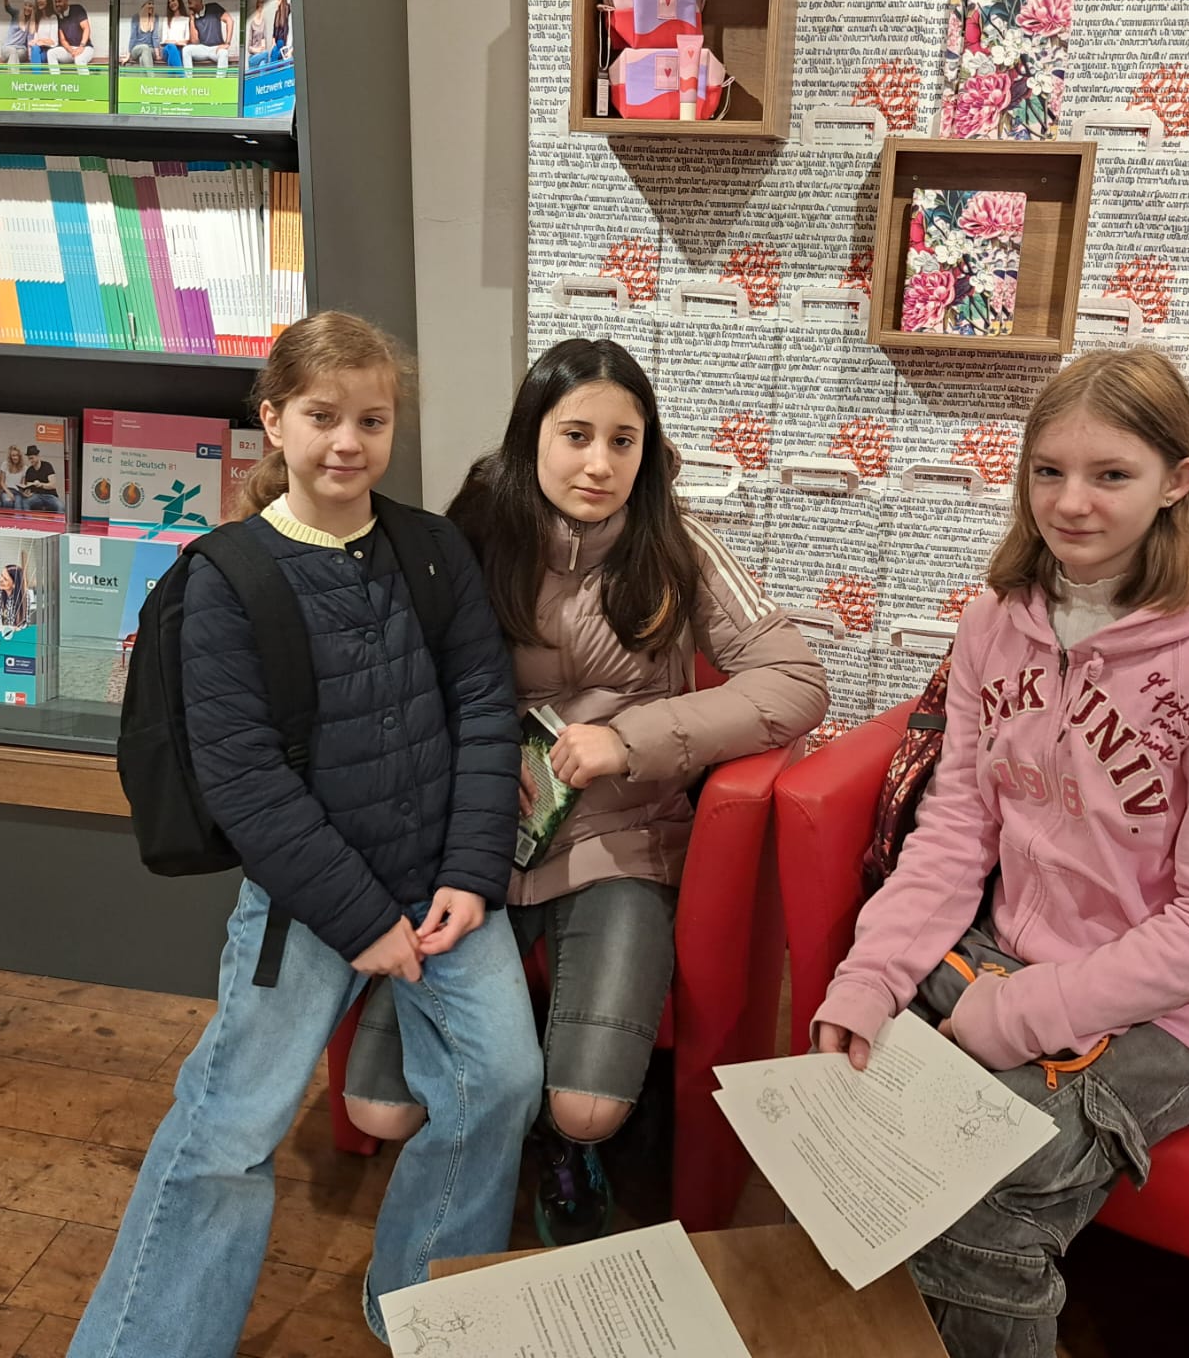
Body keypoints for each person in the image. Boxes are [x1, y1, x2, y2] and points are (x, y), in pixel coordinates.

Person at [67, 312, 540, 1356]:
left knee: (502, 1081)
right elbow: (245, 780)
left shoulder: (433, 551)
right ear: (274, 420)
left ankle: (422, 1303)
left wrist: (470, 872)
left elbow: (481, 704)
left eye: (372, 420)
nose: (348, 443)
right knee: (228, 1127)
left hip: (444, 887)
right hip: (309, 904)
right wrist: (362, 919)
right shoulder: (225, 578)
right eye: (323, 417)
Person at [808, 346, 1189, 1357]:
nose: (1070, 503)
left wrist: (1020, 1014)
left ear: (1176, 482)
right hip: (997, 958)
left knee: (975, 1204)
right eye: (1047, 471)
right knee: (835, 1111)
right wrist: (869, 976)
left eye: (1110, 474)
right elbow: (957, 831)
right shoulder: (993, 623)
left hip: (1161, 1017)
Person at [344, 337, 829, 1245]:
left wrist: (631, 739)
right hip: (475, 848)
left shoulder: (675, 545)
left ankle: (569, 1144)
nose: (599, 464)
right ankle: (492, 1118)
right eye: (576, 436)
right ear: (531, 436)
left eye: (623, 440)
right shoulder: (471, 538)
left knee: (590, 1109)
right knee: (380, 1109)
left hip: (619, 841)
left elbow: (796, 680)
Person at [182, 0, 235, 74]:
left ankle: (220, 81)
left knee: (224, 53)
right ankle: (189, 80)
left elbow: (230, 21)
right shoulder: (194, 17)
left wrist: (227, 43)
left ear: (198, 1)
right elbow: (195, 41)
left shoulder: (213, 8)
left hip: (217, 48)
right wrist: (191, 19)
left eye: (190, 3)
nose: (189, 6)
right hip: (203, 47)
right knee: (186, 50)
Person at [50, 0, 97, 71]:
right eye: (56, 2)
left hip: (85, 48)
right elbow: (63, 40)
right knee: (51, 53)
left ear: (66, 1)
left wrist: (81, 47)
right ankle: (55, 78)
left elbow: (86, 28)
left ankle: (85, 80)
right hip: (70, 49)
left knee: (79, 59)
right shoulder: (58, 16)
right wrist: (71, 51)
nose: (57, 4)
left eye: (59, 1)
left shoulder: (77, 9)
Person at [20, 448, 61, 512]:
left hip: (50, 495)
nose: (30, 461)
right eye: (29, 459)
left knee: (60, 506)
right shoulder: (29, 470)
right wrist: (26, 493)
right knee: (25, 503)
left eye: (32, 458)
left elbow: (53, 485)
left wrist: (41, 485)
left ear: (38, 456)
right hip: (36, 495)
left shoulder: (47, 466)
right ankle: (29, 518)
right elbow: (28, 487)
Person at [123, 0, 161, 68]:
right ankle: (152, 75)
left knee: (142, 58)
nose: (152, 6)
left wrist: (157, 54)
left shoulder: (155, 17)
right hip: (136, 49)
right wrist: (128, 56)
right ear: (143, 5)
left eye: (153, 4)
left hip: (150, 49)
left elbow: (155, 37)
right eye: (149, 3)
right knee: (144, 48)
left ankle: (148, 75)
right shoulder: (136, 18)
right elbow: (133, 37)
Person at [159, 0, 191, 69]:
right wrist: (177, 42)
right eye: (169, 2)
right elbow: (164, 40)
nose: (171, 4)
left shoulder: (186, 19)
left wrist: (175, 42)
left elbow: (187, 39)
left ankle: (174, 76)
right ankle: (182, 75)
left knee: (174, 56)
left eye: (173, 0)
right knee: (172, 47)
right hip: (167, 49)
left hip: (180, 49)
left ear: (179, 1)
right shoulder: (166, 20)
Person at [29, 0, 58, 68]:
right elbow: (35, 36)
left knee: (36, 53)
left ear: (47, 1)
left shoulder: (53, 17)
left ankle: (36, 75)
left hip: (49, 50)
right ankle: (36, 74)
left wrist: (40, 41)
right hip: (38, 50)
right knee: (34, 49)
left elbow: (53, 41)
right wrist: (34, 42)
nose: (39, 0)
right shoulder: (39, 18)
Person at [4, 446, 27, 510]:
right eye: (13, 455)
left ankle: (18, 517)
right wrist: (8, 492)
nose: (15, 457)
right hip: (6, 490)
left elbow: (22, 484)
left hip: (17, 492)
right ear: (10, 457)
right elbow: (1, 482)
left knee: (18, 505)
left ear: (19, 456)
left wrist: (24, 492)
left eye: (17, 455)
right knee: (8, 503)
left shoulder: (24, 468)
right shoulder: (5, 464)